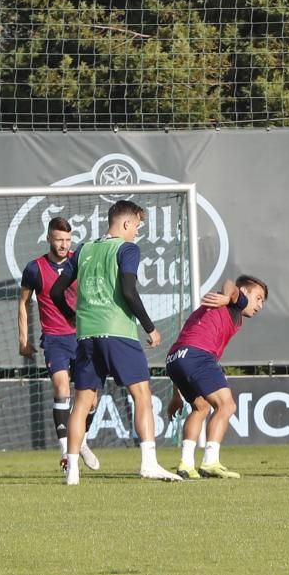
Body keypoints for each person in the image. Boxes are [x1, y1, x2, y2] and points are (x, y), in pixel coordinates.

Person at [50, 199, 181, 485]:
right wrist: (150, 328)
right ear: (125, 223)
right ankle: (149, 463)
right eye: (136, 225)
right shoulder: (127, 248)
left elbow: (57, 290)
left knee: (82, 401)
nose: (137, 232)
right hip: (118, 333)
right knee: (142, 395)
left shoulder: (83, 249)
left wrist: (72, 317)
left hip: (86, 335)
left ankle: (71, 470)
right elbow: (129, 291)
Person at [18, 216, 99, 473]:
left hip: (83, 336)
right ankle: (66, 452)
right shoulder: (34, 268)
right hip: (54, 339)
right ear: (49, 239)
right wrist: (23, 340)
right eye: (59, 240)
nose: (63, 244)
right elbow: (22, 303)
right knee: (61, 387)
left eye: (67, 239)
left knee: (92, 400)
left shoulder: (81, 261)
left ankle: (81, 441)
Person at [166, 275, 268, 479]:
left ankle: (186, 464)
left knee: (201, 407)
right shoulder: (235, 301)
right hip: (197, 355)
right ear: (245, 293)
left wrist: (176, 395)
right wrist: (226, 296)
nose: (260, 305)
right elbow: (231, 283)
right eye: (259, 298)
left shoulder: (216, 314)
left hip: (175, 359)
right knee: (227, 406)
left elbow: (184, 351)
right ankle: (210, 462)